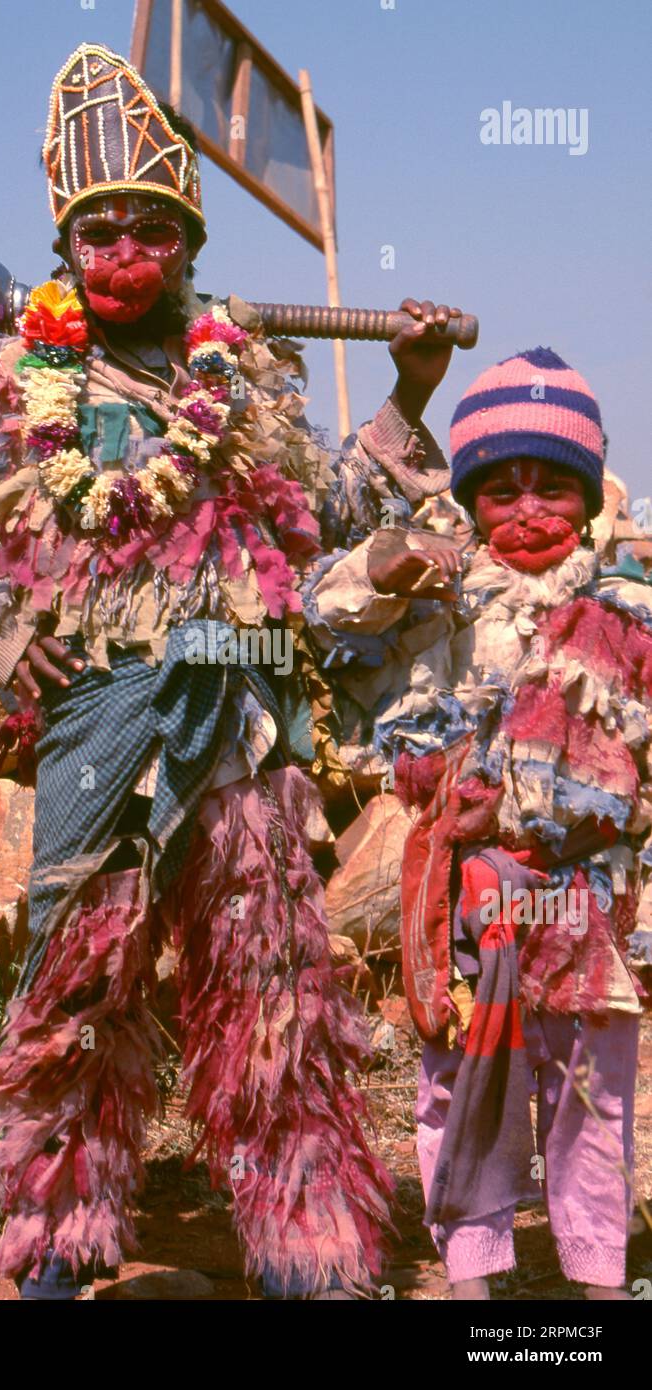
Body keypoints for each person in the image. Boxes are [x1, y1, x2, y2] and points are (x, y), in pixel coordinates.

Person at [0, 43, 404, 1300]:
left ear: (186, 242)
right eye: (99, 235)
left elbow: (344, 500)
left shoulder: (240, 384)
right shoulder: (16, 383)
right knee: (78, 987)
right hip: (100, 732)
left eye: (150, 230)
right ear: (68, 251)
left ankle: (305, 1245)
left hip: (240, 730)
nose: (124, 255)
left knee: (273, 988)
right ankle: (55, 1242)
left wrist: (409, 393)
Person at [305, 333, 652, 1299]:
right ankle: (472, 1277)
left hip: (585, 900)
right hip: (470, 898)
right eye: (503, 490)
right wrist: (395, 561)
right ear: (469, 500)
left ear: (589, 494)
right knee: (463, 1087)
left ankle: (597, 1279)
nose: (531, 510)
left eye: (555, 485)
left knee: (592, 1092)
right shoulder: (446, 593)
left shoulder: (626, 613)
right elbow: (325, 607)